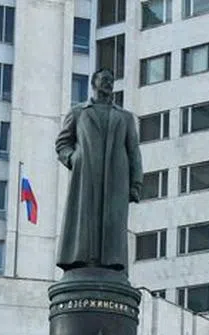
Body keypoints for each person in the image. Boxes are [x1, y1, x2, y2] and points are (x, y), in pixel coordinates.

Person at [54, 69, 143, 272]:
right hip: (86, 175)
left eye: (111, 81)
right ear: (93, 83)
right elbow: (62, 143)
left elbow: (134, 152)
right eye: (104, 80)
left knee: (113, 223)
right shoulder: (78, 112)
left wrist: (136, 184)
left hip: (116, 178)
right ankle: (81, 259)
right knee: (85, 219)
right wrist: (73, 158)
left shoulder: (125, 117)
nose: (108, 84)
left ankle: (111, 263)